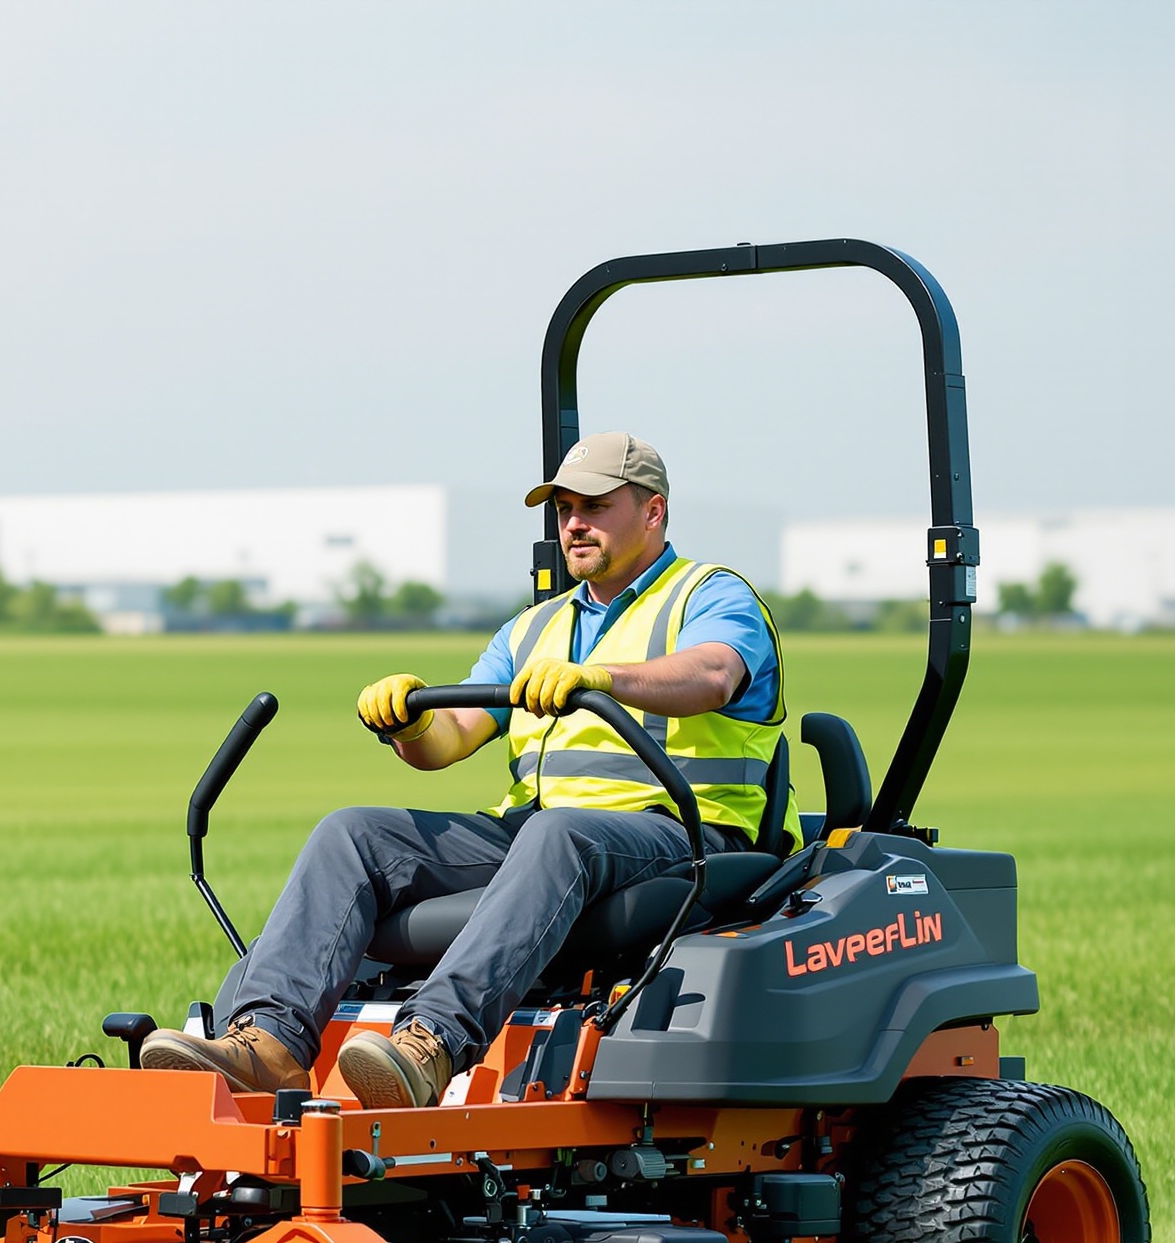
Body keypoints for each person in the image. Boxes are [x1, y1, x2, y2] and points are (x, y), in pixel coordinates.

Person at [141, 432, 795, 1110]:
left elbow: (714, 674)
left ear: (653, 511)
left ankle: (431, 1044)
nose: (574, 523)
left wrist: (600, 676)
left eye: (596, 506)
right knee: (353, 834)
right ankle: (268, 1044)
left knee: (557, 835)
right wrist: (411, 723)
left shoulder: (711, 594)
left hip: (682, 837)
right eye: (565, 507)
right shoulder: (534, 627)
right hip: (542, 835)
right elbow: (450, 740)